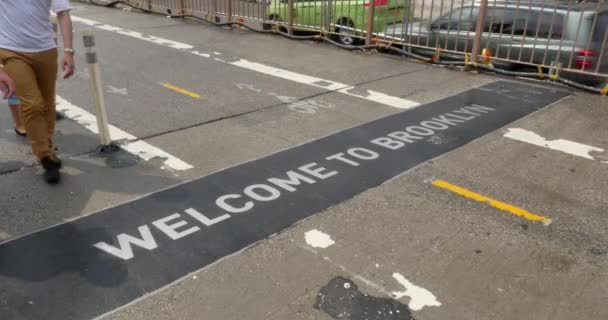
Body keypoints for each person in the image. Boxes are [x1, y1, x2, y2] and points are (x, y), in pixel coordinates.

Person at [0, 0, 75, 184]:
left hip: (45, 50)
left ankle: (47, 146)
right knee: (33, 104)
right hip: (11, 50)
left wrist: (68, 51)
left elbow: (63, 13)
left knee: (47, 103)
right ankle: (45, 157)